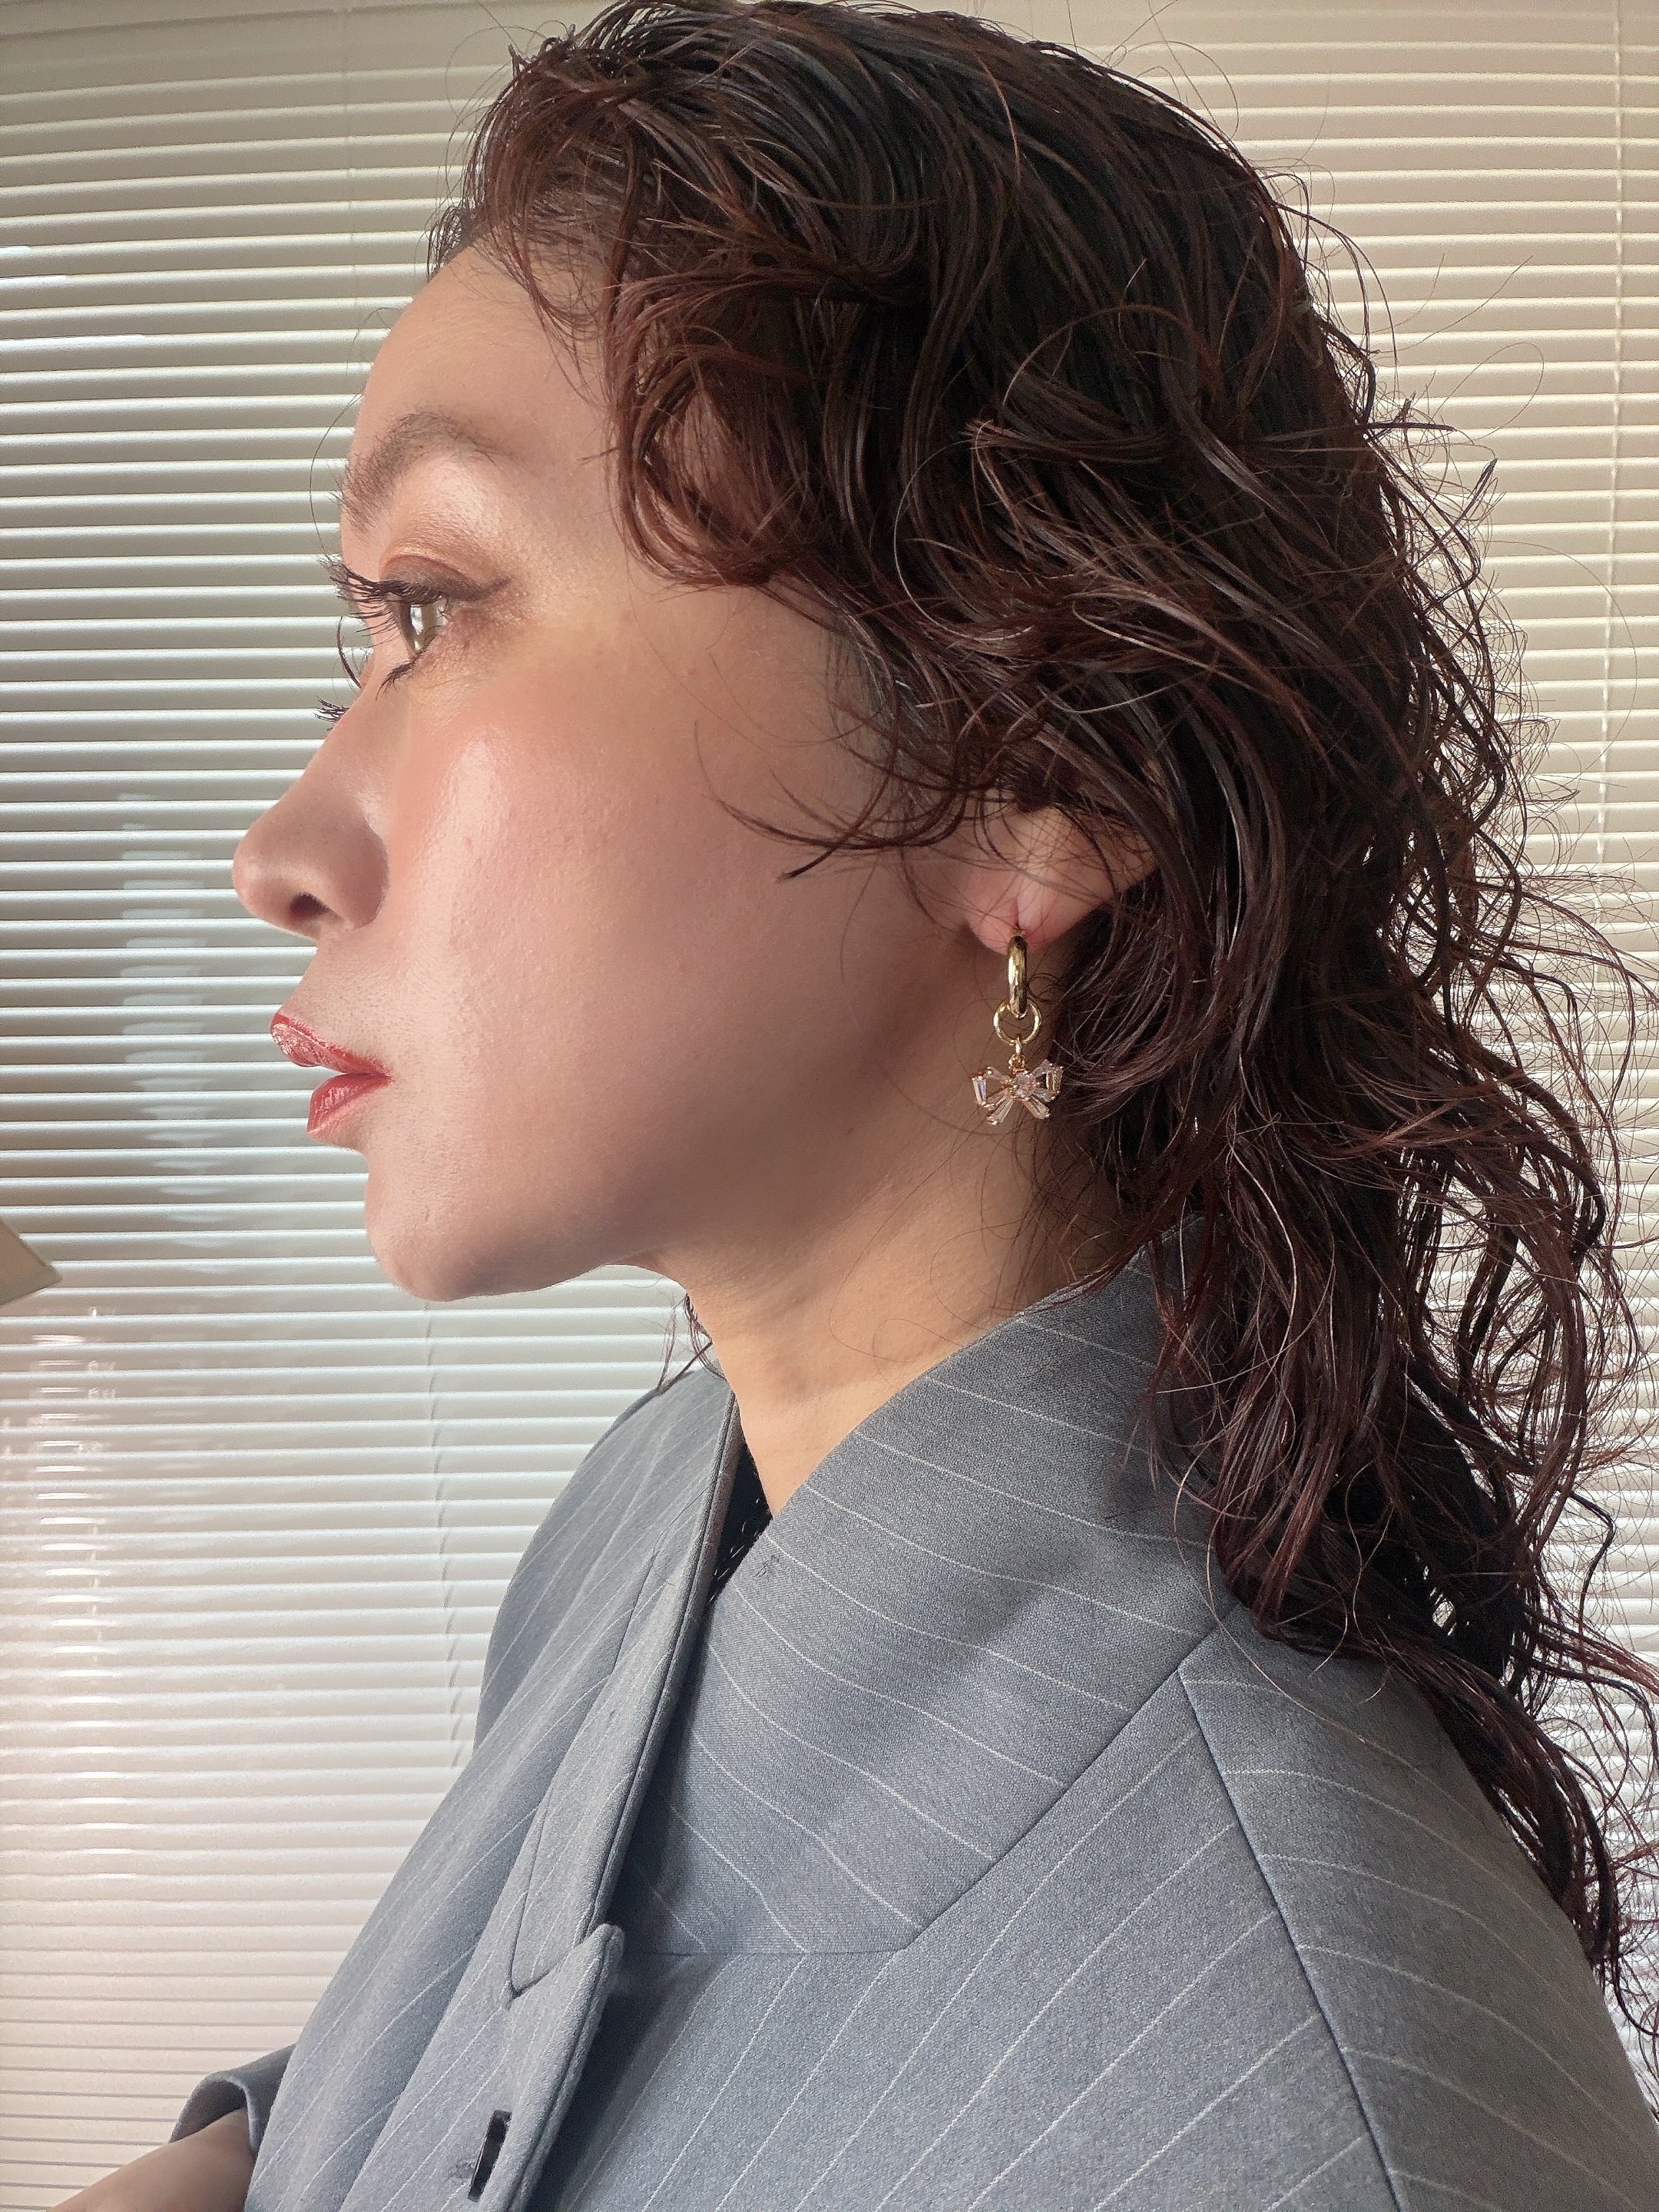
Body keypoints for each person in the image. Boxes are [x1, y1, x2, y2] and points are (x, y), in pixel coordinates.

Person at [60, 2, 1659, 2207]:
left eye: (431, 607)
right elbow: (470, 2070)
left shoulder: (1303, 2124)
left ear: (1034, 779)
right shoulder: (659, 1507)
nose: (282, 850)